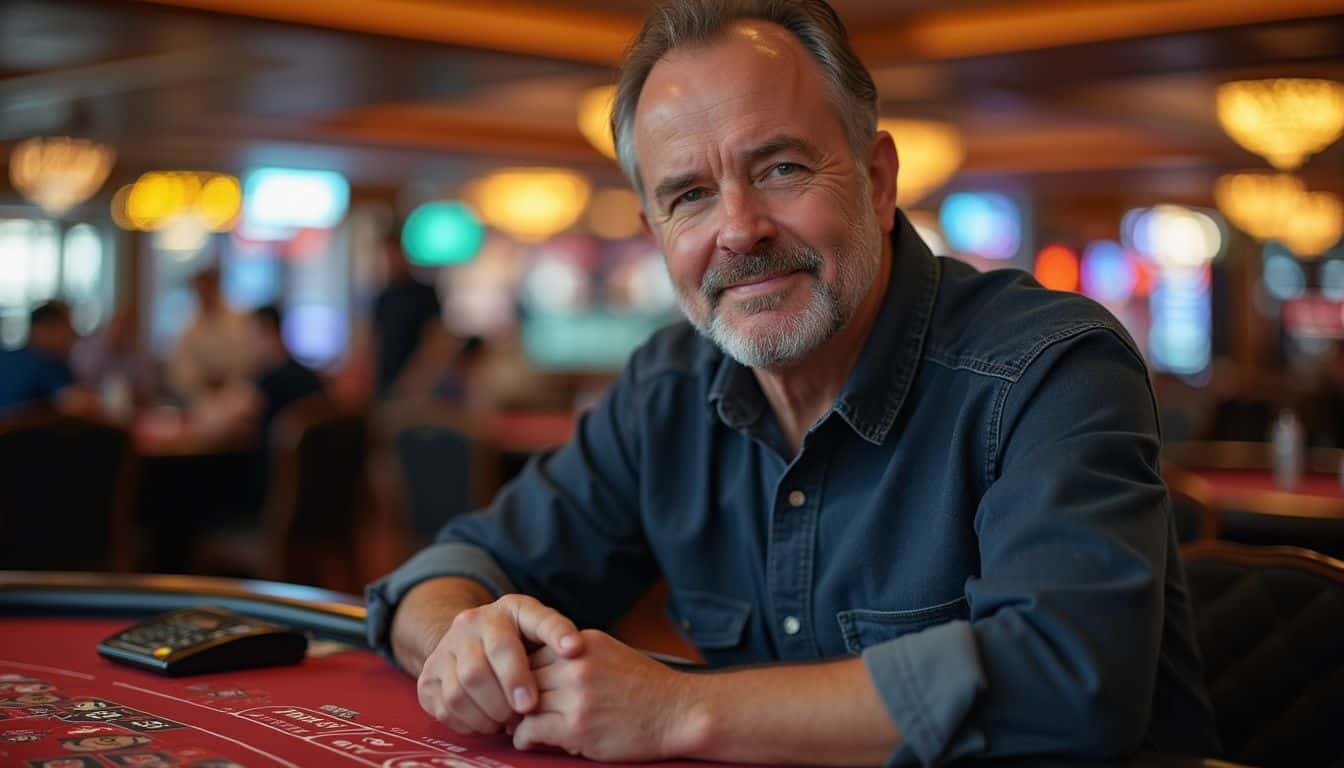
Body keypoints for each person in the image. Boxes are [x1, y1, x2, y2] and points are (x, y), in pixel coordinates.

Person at [367, 1, 1219, 765]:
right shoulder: (668, 387)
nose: (739, 229)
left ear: (878, 181)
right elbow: (457, 566)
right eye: (690, 195)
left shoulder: (1048, 368)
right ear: (655, 232)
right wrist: (460, 640)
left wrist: (675, 711)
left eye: (780, 169)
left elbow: (1067, 681)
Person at [372, 225, 445, 399]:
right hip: (384, 384)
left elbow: (435, 342)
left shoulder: (424, 294)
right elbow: (375, 341)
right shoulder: (384, 297)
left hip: (415, 386)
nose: (389, 260)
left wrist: (416, 382)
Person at [168, 266, 255, 403]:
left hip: (235, 391)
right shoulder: (189, 327)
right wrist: (202, 380)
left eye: (207, 289)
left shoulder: (239, 320)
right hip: (200, 396)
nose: (204, 295)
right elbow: (181, 368)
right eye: (200, 291)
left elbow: (249, 357)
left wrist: (225, 377)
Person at [247, 304, 326, 441]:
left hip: (275, 458)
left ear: (266, 331)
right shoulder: (310, 376)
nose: (249, 345)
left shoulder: (269, 380)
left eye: (253, 336)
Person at [0, 301, 85, 414]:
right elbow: (80, 404)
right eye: (68, 327)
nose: (74, 334)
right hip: (23, 430)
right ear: (47, 328)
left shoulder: (5, 357)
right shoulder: (46, 363)